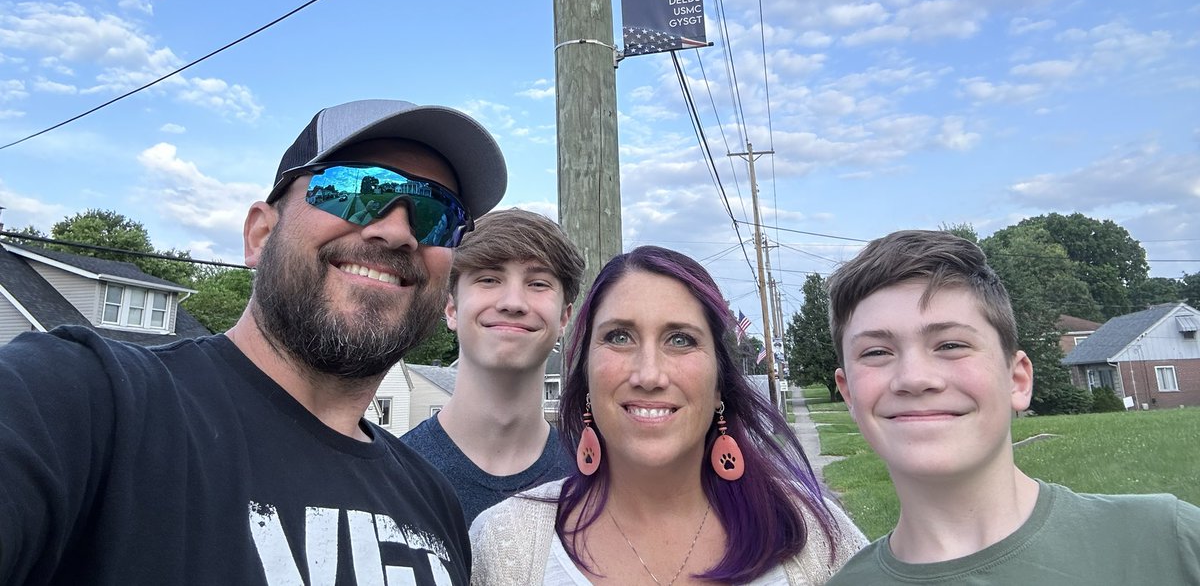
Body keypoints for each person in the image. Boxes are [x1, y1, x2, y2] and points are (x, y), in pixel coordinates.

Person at [0, 99, 508, 586]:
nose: (398, 232)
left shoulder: (433, 501)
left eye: (436, 213)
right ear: (260, 234)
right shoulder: (83, 400)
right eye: (354, 188)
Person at [470, 245, 867, 584]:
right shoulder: (505, 542)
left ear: (718, 385)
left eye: (681, 340)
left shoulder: (815, 537)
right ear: (586, 376)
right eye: (619, 337)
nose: (649, 375)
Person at [825, 229, 1200, 585]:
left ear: (1017, 380)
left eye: (950, 345)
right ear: (849, 395)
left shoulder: (1168, 543)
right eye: (876, 352)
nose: (914, 378)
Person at [402, 208, 584, 522]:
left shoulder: (591, 484)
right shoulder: (392, 479)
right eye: (488, 279)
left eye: (538, 284)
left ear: (564, 317)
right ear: (451, 310)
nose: (512, 302)